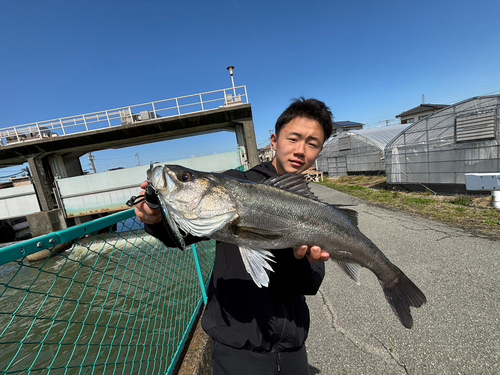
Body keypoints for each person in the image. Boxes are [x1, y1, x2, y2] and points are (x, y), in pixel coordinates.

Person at [135, 97, 333, 374]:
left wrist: (297, 258)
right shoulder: (232, 183)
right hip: (236, 348)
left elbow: (310, 283)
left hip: (293, 346)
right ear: (274, 141)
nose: (300, 150)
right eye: (294, 138)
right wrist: (156, 221)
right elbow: (182, 234)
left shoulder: (313, 207)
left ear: (319, 151)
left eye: (312, 143)